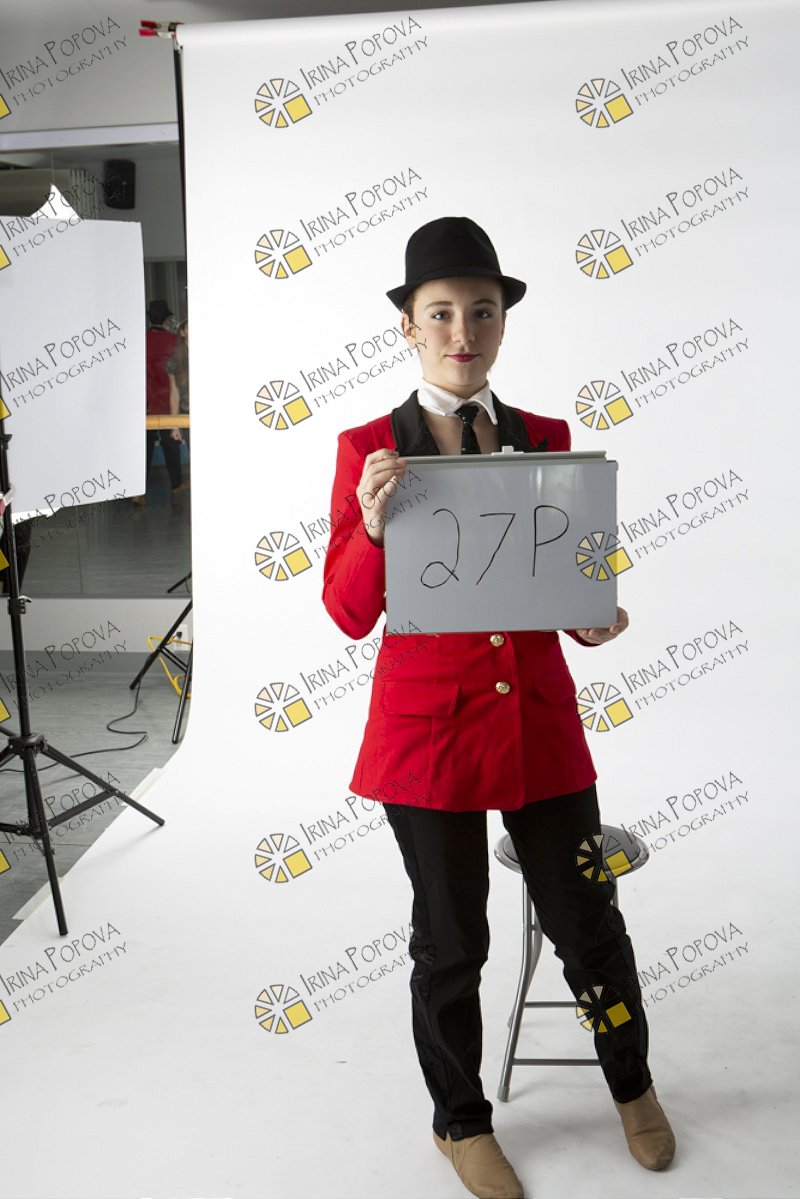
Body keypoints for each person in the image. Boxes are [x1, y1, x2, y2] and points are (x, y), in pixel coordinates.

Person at [322, 218, 675, 1199]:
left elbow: (569, 585)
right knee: (451, 941)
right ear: (407, 325)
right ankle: (459, 1119)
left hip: (537, 729)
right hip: (425, 735)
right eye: (440, 313)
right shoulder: (366, 448)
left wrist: (595, 615)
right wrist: (369, 526)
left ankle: (632, 1082)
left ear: (502, 323)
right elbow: (346, 613)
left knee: (588, 921)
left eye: (481, 312)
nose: (462, 333)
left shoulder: (548, 439)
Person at [135, 299, 183, 505]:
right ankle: (176, 486)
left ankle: (137, 491)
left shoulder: (140, 340)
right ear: (166, 320)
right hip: (166, 401)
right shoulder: (173, 340)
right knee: (171, 445)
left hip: (143, 401)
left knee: (142, 449)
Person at [166, 317, 190, 463]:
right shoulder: (174, 361)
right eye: (189, 327)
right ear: (182, 332)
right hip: (188, 415)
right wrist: (174, 425)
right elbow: (174, 393)